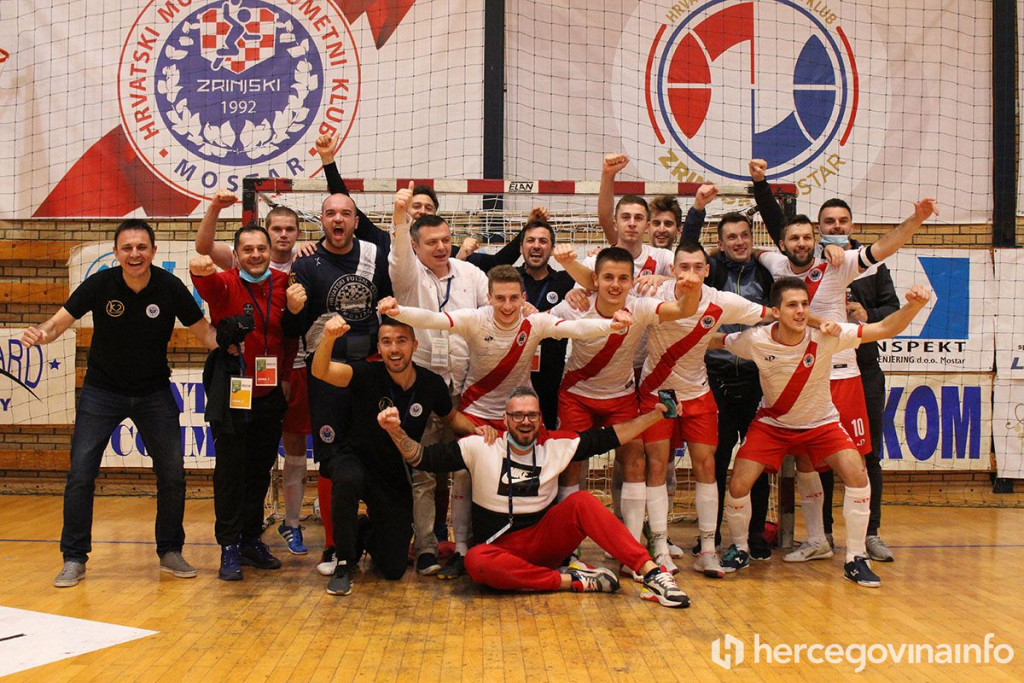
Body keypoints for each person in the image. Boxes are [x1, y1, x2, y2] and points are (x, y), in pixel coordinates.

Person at [379, 264, 633, 576]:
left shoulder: (535, 322)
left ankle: (529, 542)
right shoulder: (474, 319)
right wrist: (399, 311)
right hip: (476, 412)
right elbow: (434, 320)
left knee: (527, 474)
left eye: (514, 298)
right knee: (462, 477)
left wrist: (610, 327)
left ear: (523, 296)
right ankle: (461, 550)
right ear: (488, 298)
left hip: (518, 415)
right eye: (500, 299)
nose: (508, 306)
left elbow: (573, 329)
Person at [751, 174, 937, 562]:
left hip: (844, 373)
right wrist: (760, 185)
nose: (801, 244)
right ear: (783, 243)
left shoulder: (840, 264)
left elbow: (884, 247)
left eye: (807, 238)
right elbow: (755, 249)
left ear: (816, 240)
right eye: (794, 238)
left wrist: (917, 220)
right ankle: (820, 537)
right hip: (801, 374)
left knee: (858, 458)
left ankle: (865, 538)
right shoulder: (772, 260)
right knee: (808, 460)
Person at [23, 219, 217, 587]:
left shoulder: (169, 286)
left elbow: (205, 332)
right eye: (127, 248)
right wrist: (41, 335)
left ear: (153, 252)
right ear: (116, 253)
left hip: (154, 393)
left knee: (173, 474)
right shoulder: (100, 284)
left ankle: (170, 551)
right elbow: (58, 323)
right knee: (81, 474)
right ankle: (74, 557)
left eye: (141, 247)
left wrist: (233, 342)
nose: (134, 254)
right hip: (101, 393)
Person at [378, 386, 690, 608]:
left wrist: (655, 416)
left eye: (531, 415)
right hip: (499, 550)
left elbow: (611, 436)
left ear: (541, 418)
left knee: (581, 502)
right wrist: (395, 431)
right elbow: (420, 458)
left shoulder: (556, 444)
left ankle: (652, 573)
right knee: (476, 563)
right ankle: (572, 581)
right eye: (517, 416)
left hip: (543, 542)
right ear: (505, 418)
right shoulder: (479, 445)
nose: (525, 422)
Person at [717, 277, 930, 587]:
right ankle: (740, 547)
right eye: (792, 305)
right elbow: (716, 341)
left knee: (858, 475)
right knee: (738, 482)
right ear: (776, 311)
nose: (801, 311)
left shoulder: (827, 336)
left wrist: (914, 306)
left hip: (821, 424)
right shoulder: (755, 340)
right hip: (773, 424)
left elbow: (884, 329)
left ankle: (855, 558)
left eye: (805, 304)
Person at [309, 314, 491, 595]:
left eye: (401, 341)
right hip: (355, 458)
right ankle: (344, 563)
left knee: (393, 568)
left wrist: (480, 430)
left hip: (392, 473)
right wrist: (329, 339)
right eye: (387, 342)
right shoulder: (365, 373)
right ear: (379, 349)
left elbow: (452, 418)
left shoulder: (430, 384)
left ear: (414, 345)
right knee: (346, 478)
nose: (394, 348)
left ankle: (363, 530)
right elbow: (320, 372)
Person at [549, 246, 702, 578]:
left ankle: (630, 551)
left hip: (620, 397)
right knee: (571, 467)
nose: (615, 285)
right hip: (576, 396)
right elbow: (542, 326)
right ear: (595, 280)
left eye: (622, 278)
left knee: (634, 461)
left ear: (632, 281)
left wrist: (690, 291)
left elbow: (681, 309)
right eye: (608, 278)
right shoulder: (576, 305)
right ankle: (567, 549)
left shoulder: (642, 307)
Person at [194, 190, 312, 555]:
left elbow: (289, 336)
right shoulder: (225, 280)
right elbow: (202, 259)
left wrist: (286, 378)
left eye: (261, 249)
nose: (257, 254)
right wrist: (200, 266)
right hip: (232, 389)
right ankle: (229, 545)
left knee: (261, 469)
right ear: (238, 254)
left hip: (272, 387)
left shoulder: (286, 283)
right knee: (231, 470)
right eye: (249, 250)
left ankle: (251, 539)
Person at [282, 191, 392, 570]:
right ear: (322, 221)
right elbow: (292, 328)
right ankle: (333, 545)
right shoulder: (307, 263)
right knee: (330, 459)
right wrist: (293, 310)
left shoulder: (376, 255)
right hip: (326, 372)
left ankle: (382, 539)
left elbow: (394, 303)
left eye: (346, 213)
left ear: (356, 219)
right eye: (330, 213)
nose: (338, 219)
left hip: (372, 370)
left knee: (379, 455)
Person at [387, 183, 490, 578]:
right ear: (416, 245)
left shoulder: (471, 273)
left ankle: (464, 545)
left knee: (464, 470)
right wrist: (400, 216)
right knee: (425, 474)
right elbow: (397, 255)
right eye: (432, 241)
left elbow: (492, 314)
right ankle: (426, 547)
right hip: (424, 387)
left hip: (467, 387)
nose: (442, 247)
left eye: (447, 239)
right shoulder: (408, 277)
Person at [680, 211, 774, 559]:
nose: (739, 241)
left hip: (755, 379)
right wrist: (698, 211)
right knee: (715, 461)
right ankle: (712, 535)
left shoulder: (765, 274)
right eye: (731, 237)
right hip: (715, 379)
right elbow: (686, 251)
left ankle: (757, 534)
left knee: (756, 460)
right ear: (719, 245)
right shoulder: (711, 271)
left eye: (744, 235)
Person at [818, 198, 901, 562]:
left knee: (869, 455)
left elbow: (893, 311)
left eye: (843, 221)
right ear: (820, 226)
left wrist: (869, 314)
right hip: (821, 370)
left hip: (864, 369)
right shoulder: (812, 261)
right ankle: (822, 534)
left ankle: (871, 533)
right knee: (821, 456)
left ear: (852, 225)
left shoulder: (873, 266)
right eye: (830, 221)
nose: (836, 226)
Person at [515, 213, 576, 429]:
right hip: (512, 372)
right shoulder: (509, 278)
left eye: (543, 241)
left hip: (551, 376)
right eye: (530, 240)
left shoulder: (566, 282)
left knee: (547, 436)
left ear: (551, 248)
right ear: (521, 246)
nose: (537, 246)